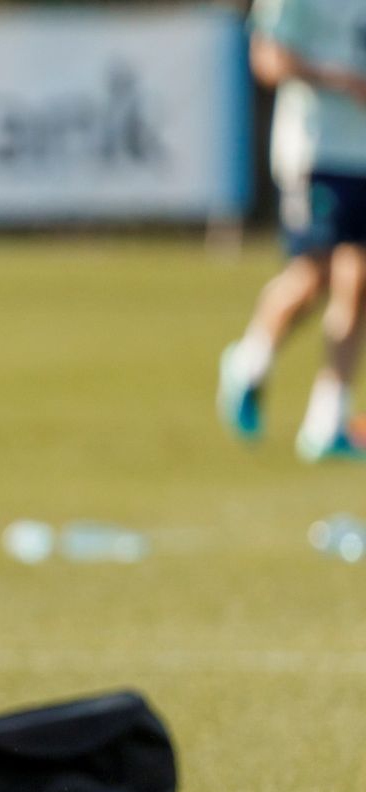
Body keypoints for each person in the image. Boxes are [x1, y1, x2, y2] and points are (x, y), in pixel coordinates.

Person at [218, 0, 366, 461]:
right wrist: (337, 78)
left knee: (360, 279)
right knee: (314, 274)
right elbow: (268, 57)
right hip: (317, 150)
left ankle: (326, 421)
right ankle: (249, 360)